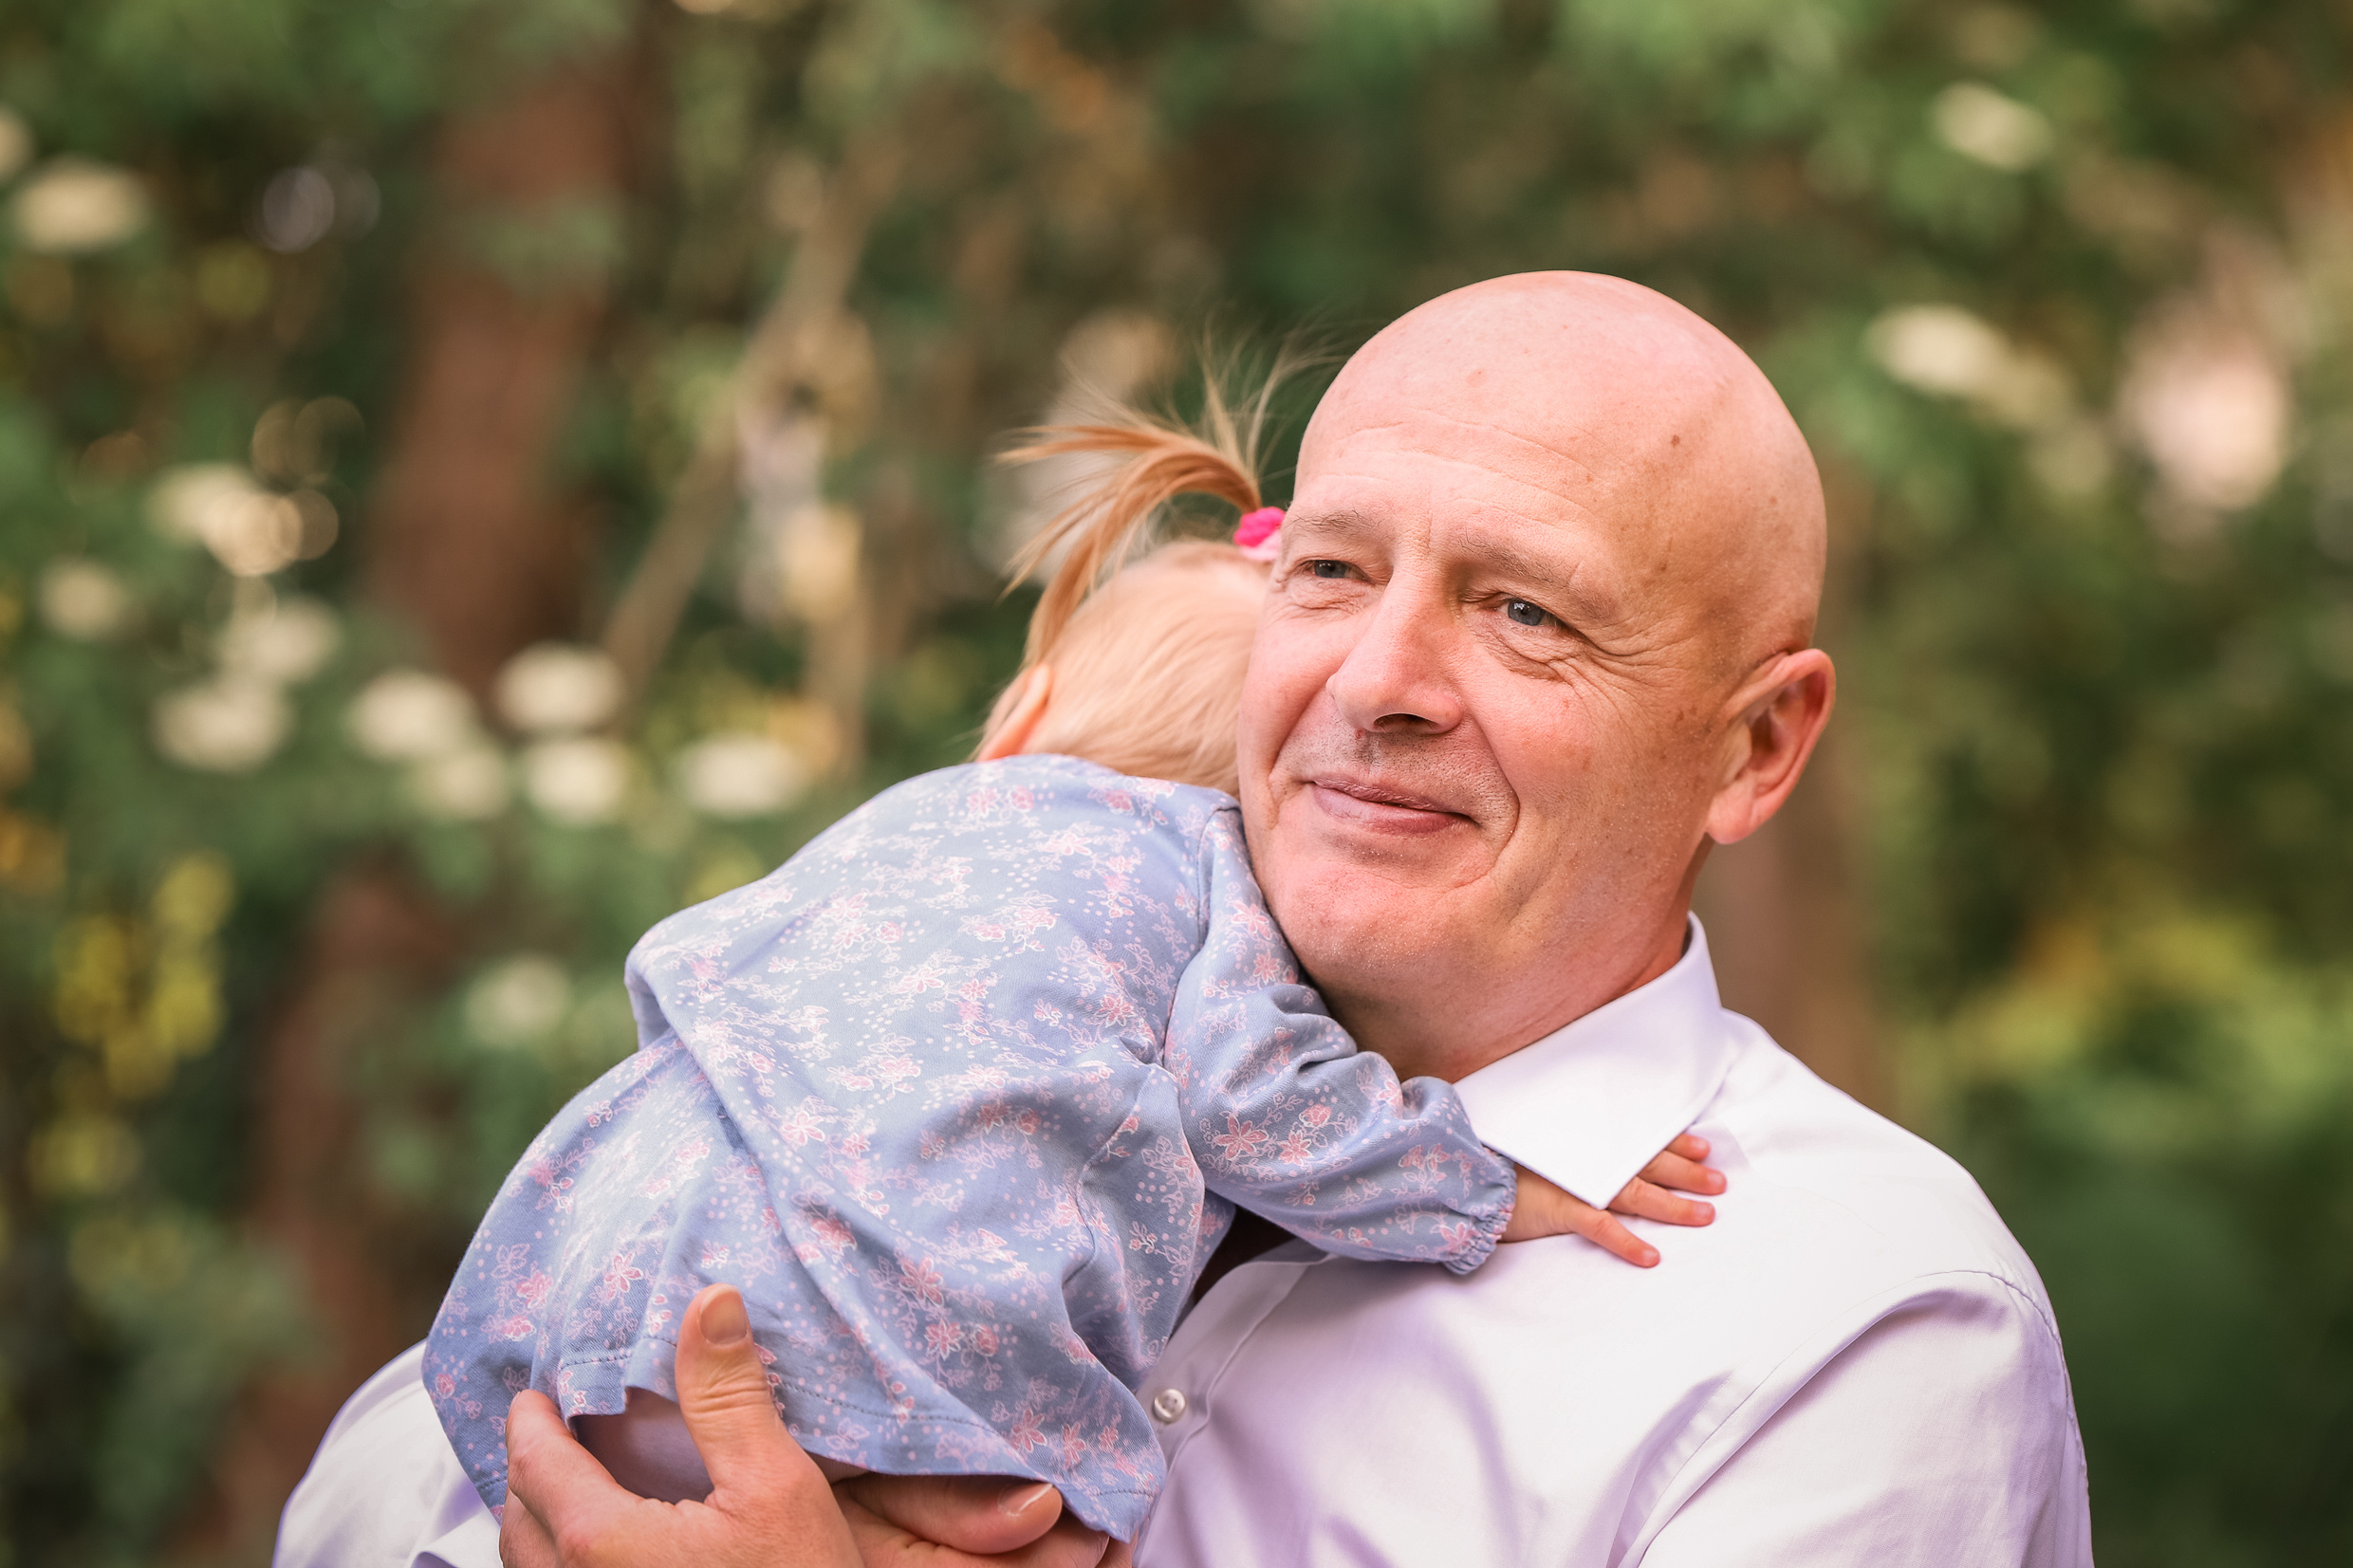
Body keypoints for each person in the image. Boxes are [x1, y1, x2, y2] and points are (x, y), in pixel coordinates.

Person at [277, 272, 2093, 1567]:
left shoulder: (1855, 1322)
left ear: (1755, 744)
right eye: (1334, 567)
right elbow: (369, 1488)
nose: (1374, 680)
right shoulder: (944, 1053)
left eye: (1527, 612)